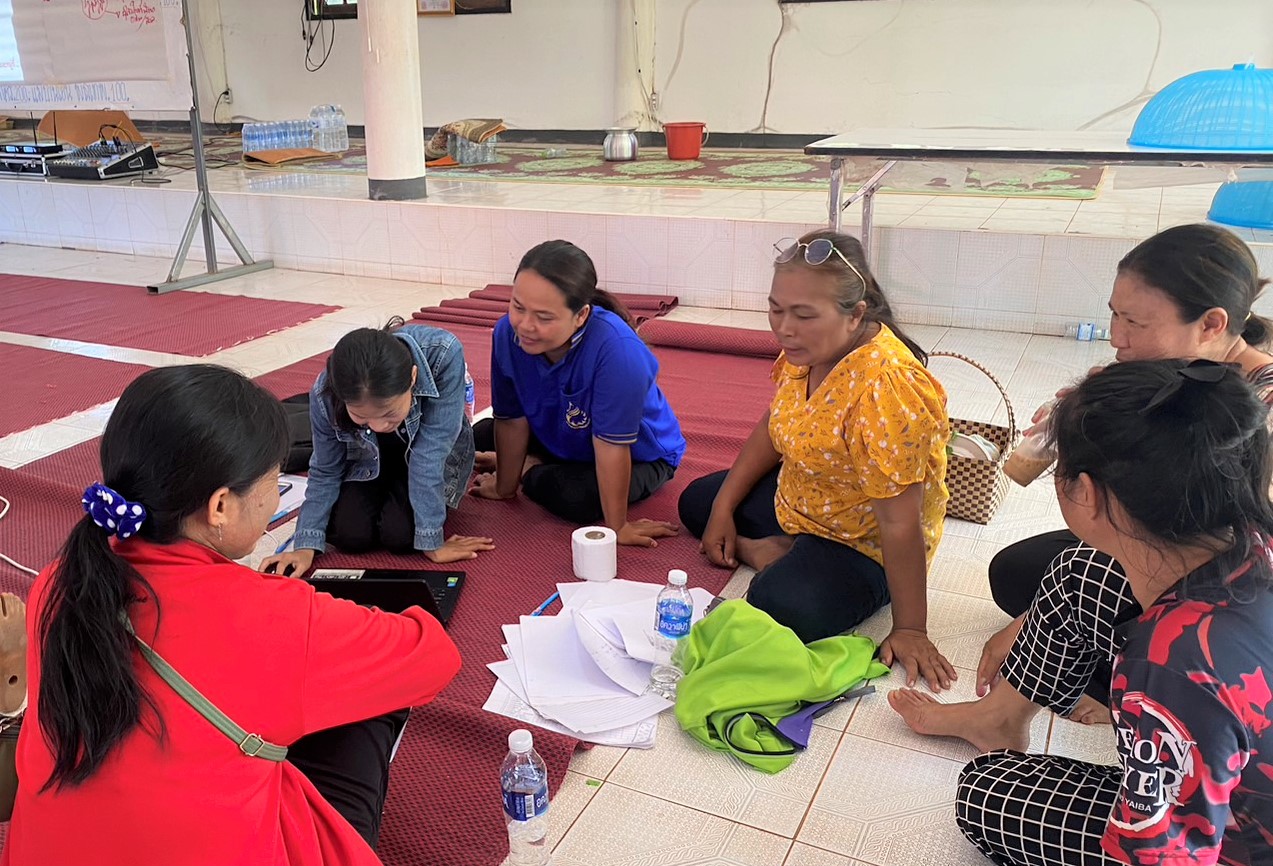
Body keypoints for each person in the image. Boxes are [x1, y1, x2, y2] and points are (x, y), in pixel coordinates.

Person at [1, 364, 462, 866]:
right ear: (220, 506)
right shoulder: (271, 616)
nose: (273, 499)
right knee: (365, 704)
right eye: (273, 482)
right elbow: (432, 656)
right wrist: (310, 613)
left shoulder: (60, 580)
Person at [944, 360, 1273, 866]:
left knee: (988, 793)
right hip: (1243, 787)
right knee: (1081, 574)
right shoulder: (1253, 538)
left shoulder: (1169, 664)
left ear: (1088, 494)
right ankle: (997, 716)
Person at [921, 223, 1273, 734]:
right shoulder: (1174, 367)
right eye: (1114, 313)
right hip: (1159, 530)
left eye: (1134, 321)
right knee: (1019, 572)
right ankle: (1076, 671)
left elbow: (1218, 538)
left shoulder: (1261, 405)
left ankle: (1133, 685)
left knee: (1067, 582)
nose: (1117, 336)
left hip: (1226, 575)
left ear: (1212, 324)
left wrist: (1031, 625)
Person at [677, 229, 954, 692]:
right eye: (776, 308)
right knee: (698, 503)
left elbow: (901, 524)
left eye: (804, 315)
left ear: (856, 315)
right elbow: (775, 423)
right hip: (803, 498)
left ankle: (772, 556)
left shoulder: (886, 386)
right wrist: (725, 509)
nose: (784, 328)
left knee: (779, 604)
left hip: (863, 542)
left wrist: (911, 629)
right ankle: (772, 549)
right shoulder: (805, 351)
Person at [470, 240, 686, 547]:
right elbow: (511, 417)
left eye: (544, 317)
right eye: (518, 307)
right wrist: (504, 488)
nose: (525, 326)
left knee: (573, 497)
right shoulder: (508, 333)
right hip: (562, 434)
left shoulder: (618, 352)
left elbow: (612, 445)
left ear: (581, 315)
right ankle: (534, 463)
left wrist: (618, 527)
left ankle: (534, 466)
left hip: (638, 455)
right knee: (477, 435)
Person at [261, 318, 492, 578]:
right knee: (350, 536)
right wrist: (305, 544)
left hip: (425, 452)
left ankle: (400, 506)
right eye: (362, 417)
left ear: (413, 378)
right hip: (366, 460)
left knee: (402, 537)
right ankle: (387, 497)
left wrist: (432, 540)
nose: (381, 426)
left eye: (390, 413)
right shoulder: (325, 392)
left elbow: (431, 455)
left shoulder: (443, 353)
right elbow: (326, 468)